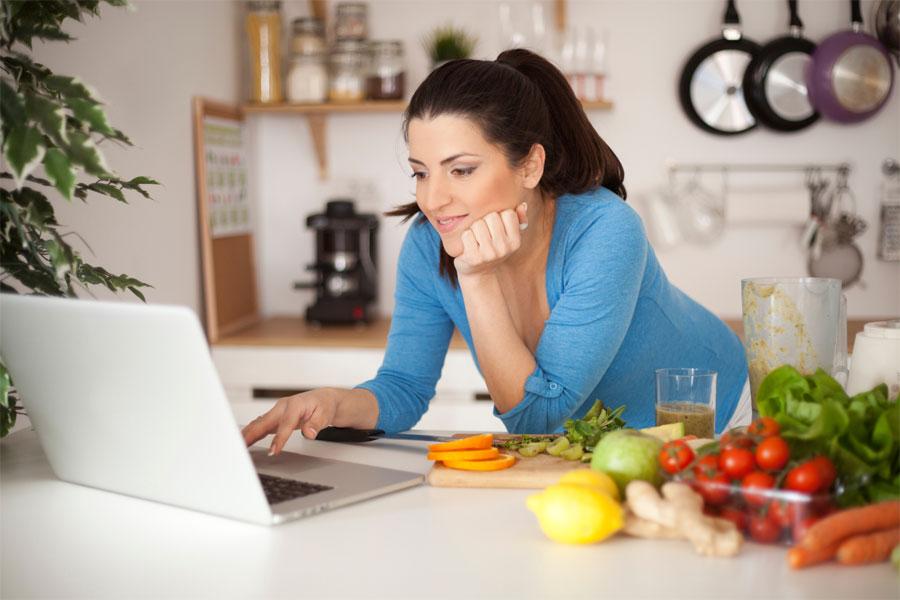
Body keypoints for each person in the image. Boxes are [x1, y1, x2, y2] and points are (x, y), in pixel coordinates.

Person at [243, 48, 750, 456]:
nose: (432, 199)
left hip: (714, 423)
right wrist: (330, 403)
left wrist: (478, 279)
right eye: (420, 172)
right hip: (604, 448)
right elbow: (403, 385)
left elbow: (536, 416)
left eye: (460, 170)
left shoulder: (605, 232)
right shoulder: (426, 246)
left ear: (529, 167)